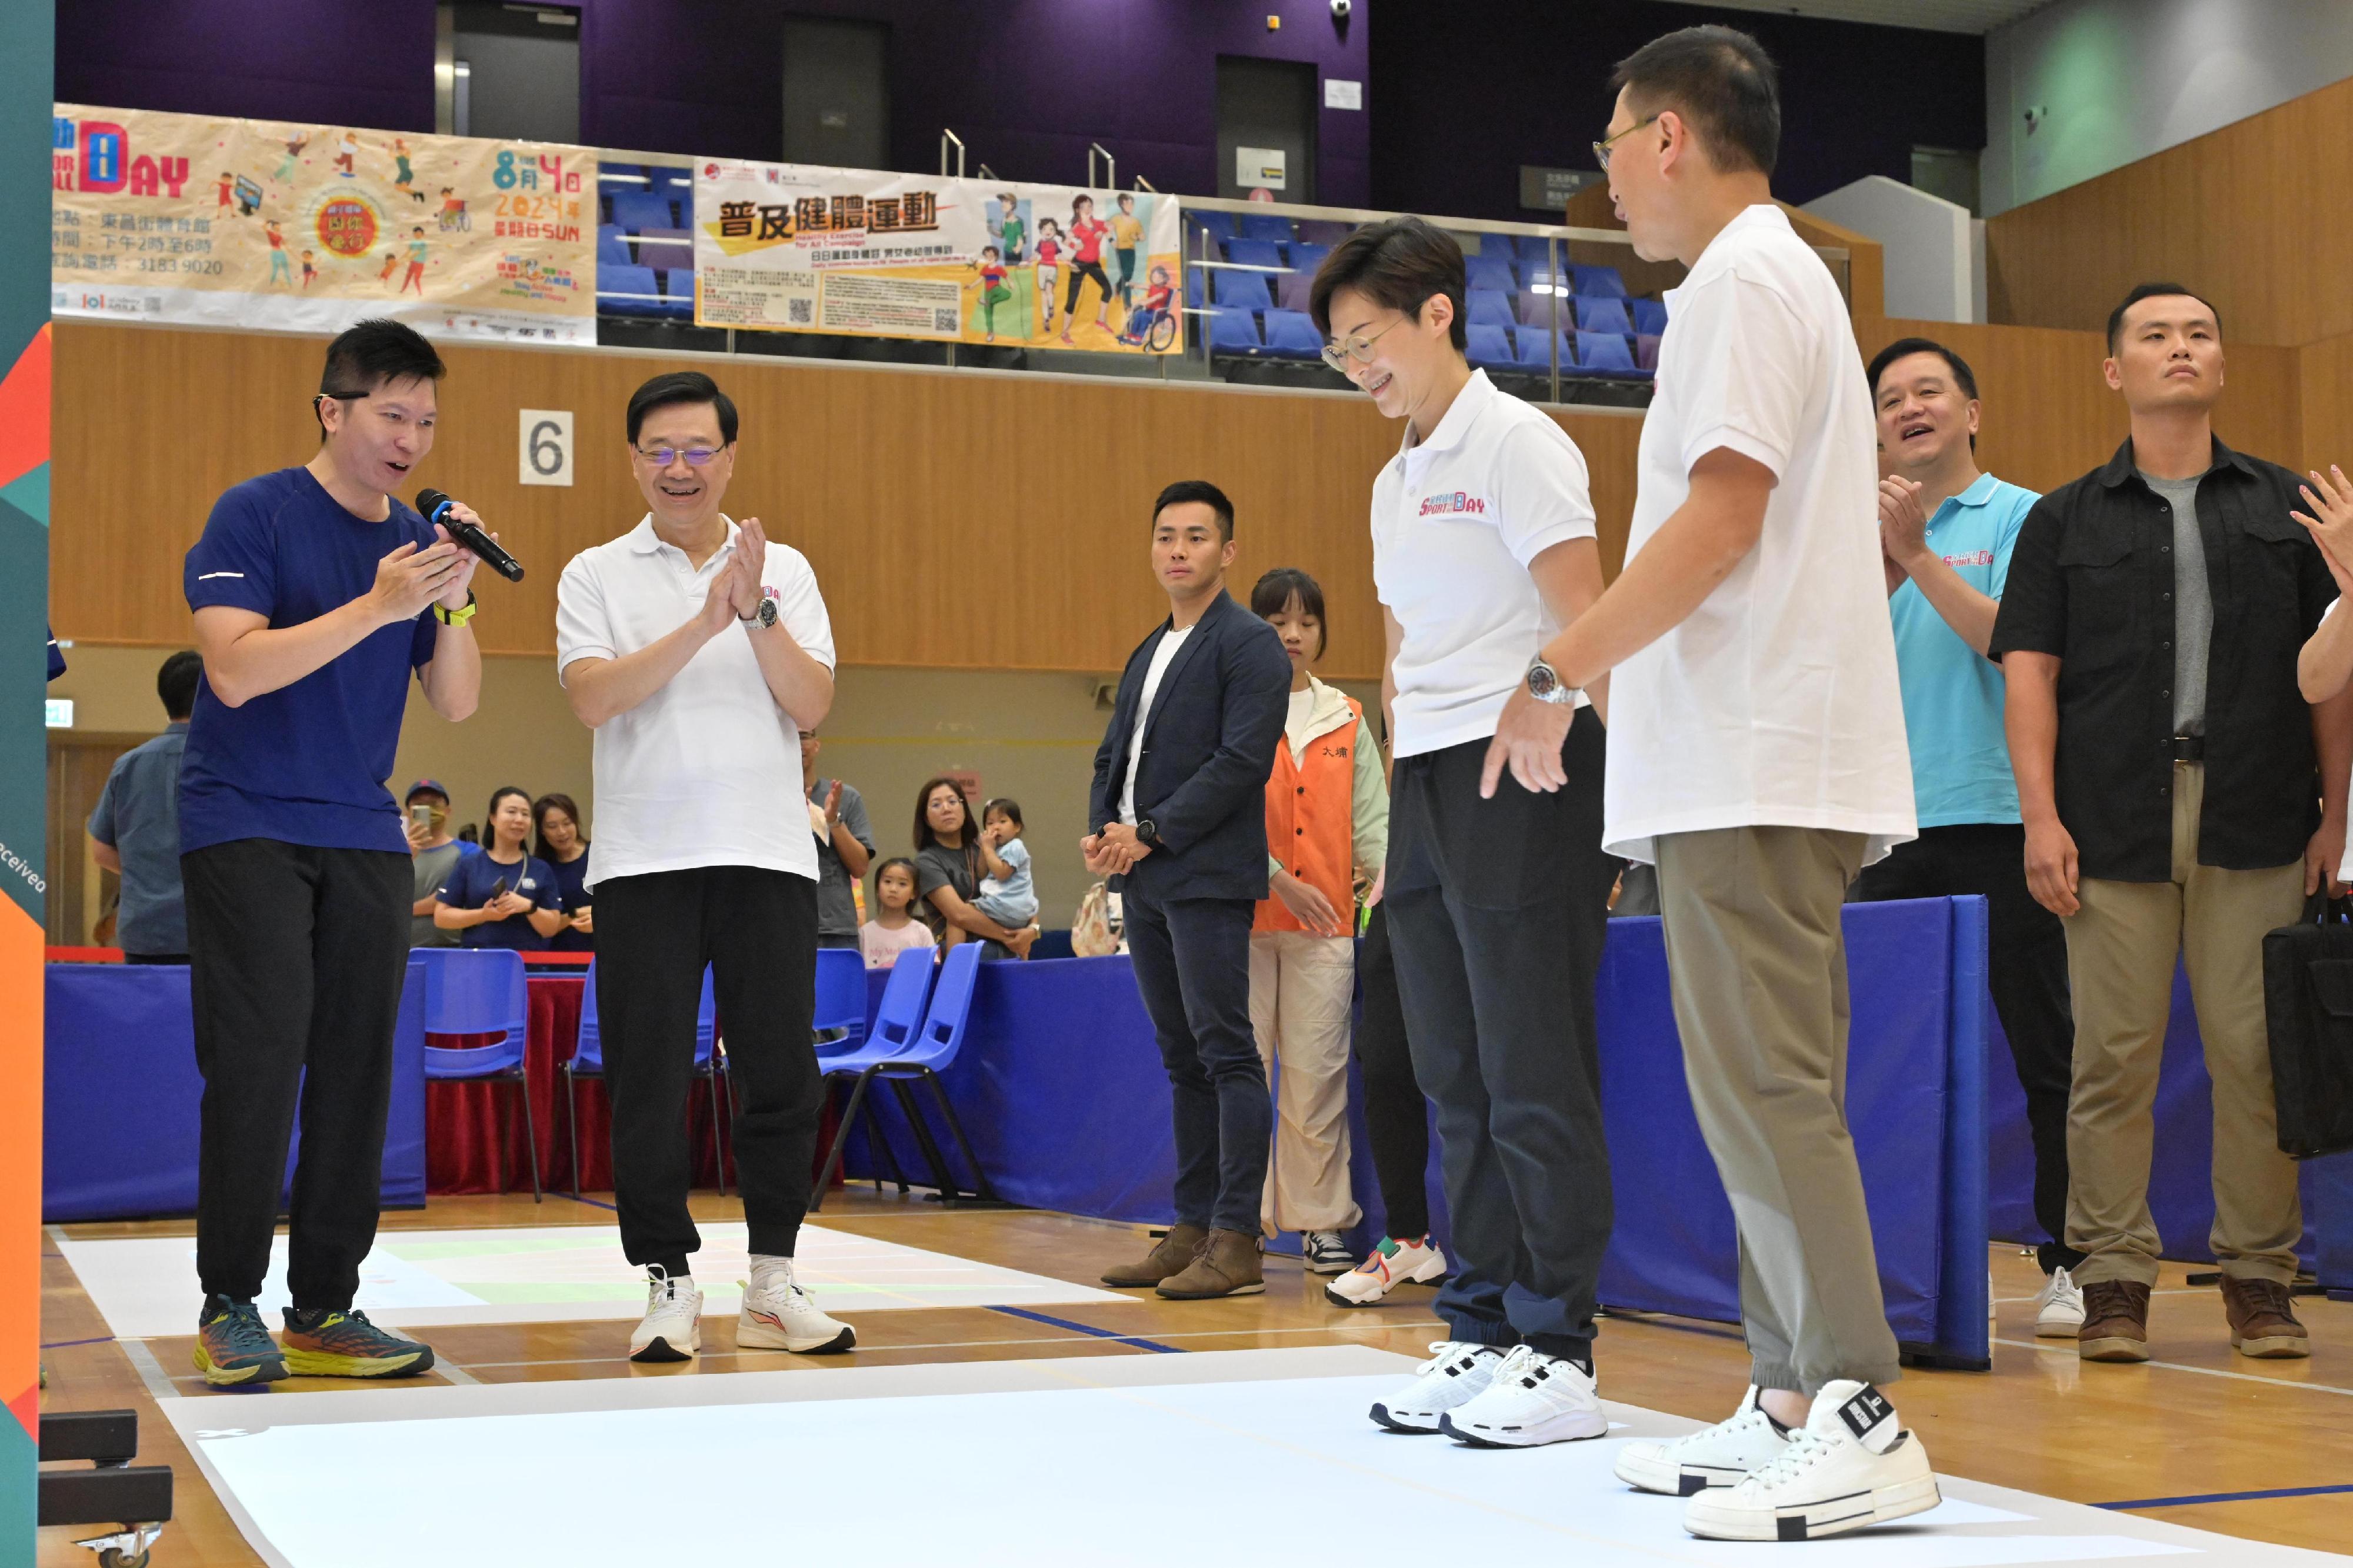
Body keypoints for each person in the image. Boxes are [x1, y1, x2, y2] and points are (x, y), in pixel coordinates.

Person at [1493, 29, 1934, 1537]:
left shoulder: (1744, 279)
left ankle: (1859, 1403)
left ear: (1668, 133)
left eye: (1609, 143)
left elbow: (1722, 516)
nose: (1603, 176)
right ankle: (1793, 1390)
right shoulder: (1759, 277)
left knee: (1767, 1086)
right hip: (1740, 751)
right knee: (1753, 1091)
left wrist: (1556, 666)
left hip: (1754, 754)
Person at [1994, 282, 2350, 1367]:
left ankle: (2259, 1278)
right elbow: (2031, 676)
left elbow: (2331, 681)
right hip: (2108, 822)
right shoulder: (2064, 517)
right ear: (2116, 370)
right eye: (2155, 335)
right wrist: (2040, 817)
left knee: (2256, 1057)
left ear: (2222, 362)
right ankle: (2110, 1279)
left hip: (2256, 808)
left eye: (2199, 332)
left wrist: (2337, 810)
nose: (2180, 348)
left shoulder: (2290, 506)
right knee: (2111, 1058)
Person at [1309, 216, 1617, 1449]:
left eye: (1365, 339)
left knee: (1532, 1063)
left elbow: (1584, 612)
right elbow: (1398, 646)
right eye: (1335, 352)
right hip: (1427, 782)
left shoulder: (1516, 441)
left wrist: (1546, 713)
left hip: (1523, 767)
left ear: (1436, 313)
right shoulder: (1391, 475)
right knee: (1451, 1068)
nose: (1354, 367)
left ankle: (1559, 1343)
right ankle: (1485, 1321)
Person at [179, 318, 485, 1387]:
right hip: (246, 822)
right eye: (391, 414)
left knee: (358, 1070)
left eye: (427, 420)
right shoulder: (255, 512)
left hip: (363, 833)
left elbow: (455, 700)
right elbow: (235, 673)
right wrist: (379, 601)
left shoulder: (416, 540)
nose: (411, 438)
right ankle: (230, 1300)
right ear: (332, 409)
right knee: (259, 1061)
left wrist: (454, 597)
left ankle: (325, 1304)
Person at [555, 369, 854, 1363]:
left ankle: (771, 1285)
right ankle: (668, 1282)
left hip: (768, 857)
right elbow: (597, 699)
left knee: (782, 1075)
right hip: (642, 864)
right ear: (634, 460)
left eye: (698, 450)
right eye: (659, 451)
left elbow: (810, 706)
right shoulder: (594, 572)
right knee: (646, 1079)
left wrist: (757, 607)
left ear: (731, 457)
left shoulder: (788, 569)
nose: (679, 469)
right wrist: (704, 621)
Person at [1854, 336, 2083, 1336]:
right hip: (1886, 832)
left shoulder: (2026, 516)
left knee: (2049, 1050)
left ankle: (2072, 1257)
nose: (1910, 408)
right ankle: (1895, 1266)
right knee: (1889, 1066)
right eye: (1891, 398)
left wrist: (1914, 556)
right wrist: (1875, 553)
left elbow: (2012, 642)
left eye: (1929, 392)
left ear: (1973, 411)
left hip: (2001, 819)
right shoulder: (1846, 532)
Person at [1089, 481, 1290, 1300]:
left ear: (1227, 551)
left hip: (1204, 871)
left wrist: (1156, 829)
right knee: (1183, 1061)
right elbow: (1115, 753)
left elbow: (1242, 761)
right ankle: (1193, 1227)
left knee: (1226, 1052)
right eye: (1166, 534)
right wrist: (1105, 826)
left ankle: (1238, 1236)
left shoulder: (1248, 644)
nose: (1178, 548)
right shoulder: (1150, 646)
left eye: (1197, 536)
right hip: (1144, 874)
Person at [1246, 567, 1388, 1275]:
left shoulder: (1349, 716)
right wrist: (1273, 876)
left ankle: (1320, 1222)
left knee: (1316, 1078)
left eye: (1305, 621)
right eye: (1277, 621)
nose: (1293, 634)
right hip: (1238, 924)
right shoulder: (1232, 708)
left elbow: (1373, 825)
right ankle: (1232, 1220)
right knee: (1238, 1075)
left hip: (1326, 928)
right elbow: (1218, 811)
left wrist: (1384, 877)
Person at [88, 649, 202, 964]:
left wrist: (148, 872)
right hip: (210, 930)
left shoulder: (128, 766)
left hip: (145, 932)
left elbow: (101, 851)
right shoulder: (229, 765)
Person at [914, 779, 1036, 959]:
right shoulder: (926, 861)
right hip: (969, 950)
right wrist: (1011, 937)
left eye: (952, 801)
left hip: (1008, 947)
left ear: (964, 809)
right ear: (926, 818)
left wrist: (1033, 931)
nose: (946, 809)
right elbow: (959, 915)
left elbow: (1022, 891)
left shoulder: (987, 848)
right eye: (936, 804)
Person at [434, 786, 565, 950]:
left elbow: (551, 928)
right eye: (511, 812)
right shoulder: (470, 864)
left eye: (525, 814)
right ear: (493, 818)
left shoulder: (541, 869)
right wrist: (484, 915)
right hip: (478, 960)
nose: (519, 819)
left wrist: (528, 907)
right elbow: (441, 917)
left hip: (527, 964)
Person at [801, 729, 874, 951]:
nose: (797, 744)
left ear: (816, 744)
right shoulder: (767, 799)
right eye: (788, 735)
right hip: (777, 926)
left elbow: (860, 867)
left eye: (804, 736)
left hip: (836, 929)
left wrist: (833, 820)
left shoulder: (846, 797)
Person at [404, 778, 474, 948]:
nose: (428, 810)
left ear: (448, 811)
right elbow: (384, 895)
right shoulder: (396, 854)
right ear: (409, 813)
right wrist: (404, 857)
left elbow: (452, 895)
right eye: (420, 805)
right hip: (403, 950)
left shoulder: (469, 852)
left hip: (452, 949)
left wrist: (405, 911)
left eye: (434, 805)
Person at [532, 792, 593, 951]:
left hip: (603, 956)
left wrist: (601, 918)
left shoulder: (599, 856)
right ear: (542, 831)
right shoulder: (540, 868)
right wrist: (577, 913)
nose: (562, 832)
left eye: (567, 823)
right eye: (552, 826)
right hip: (560, 958)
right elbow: (542, 927)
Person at [973, 798, 1038, 932]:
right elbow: (981, 873)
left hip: (1009, 907)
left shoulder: (1015, 846)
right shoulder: (994, 848)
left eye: (1003, 822)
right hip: (1004, 906)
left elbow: (1002, 874)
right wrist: (984, 849)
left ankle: (956, 954)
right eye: (990, 823)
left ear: (1017, 827)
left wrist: (989, 850)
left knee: (961, 916)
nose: (996, 827)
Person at [861, 856, 936, 970]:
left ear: (914, 893)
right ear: (878, 888)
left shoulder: (921, 932)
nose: (893, 889)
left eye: (902, 884)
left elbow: (931, 970)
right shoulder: (864, 933)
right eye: (887, 882)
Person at [1060, 194, 1115, 345]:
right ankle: (1065, 333)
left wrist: (1106, 233)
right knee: (1072, 298)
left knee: (1107, 290)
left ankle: (1101, 320)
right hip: (1079, 264)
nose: (1088, 209)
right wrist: (1074, 246)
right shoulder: (1078, 227)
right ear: (1078, 210)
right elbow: (1066, 240)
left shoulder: (1097, 223)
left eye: (1090, 206)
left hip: (1093, 263)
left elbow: (1111, 226)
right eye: (1084, 207)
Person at [1111, 192, 1144, 309]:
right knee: (1126, 277)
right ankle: (1128, 304)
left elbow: (1142, 237)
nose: (1130, 206)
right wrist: (1112, 240)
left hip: (1131, 250)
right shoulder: (1116, 219)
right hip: (1121, 249)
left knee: (1128, 275)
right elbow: (1106, 230)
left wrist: (1137, 238)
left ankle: (1118, 287)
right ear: (1121, 205)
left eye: (1131, 204)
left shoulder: (1135, 221)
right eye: (1127, 204)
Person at [1034, 218, 1062, 334]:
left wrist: (1070, 263)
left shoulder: (1055, 243)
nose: (1048, 231)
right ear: (1041, 231)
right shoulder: (1040, 243)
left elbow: (1060, 255)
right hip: (1042, 269)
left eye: (1051, 229)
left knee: (1049, 289)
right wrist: (1027, 262)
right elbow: (1035, 255)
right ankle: (1046, 319)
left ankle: (1051, 306)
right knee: (1043, 295)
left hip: (1052, 268)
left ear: (1055, 231)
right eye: (1045, 229)